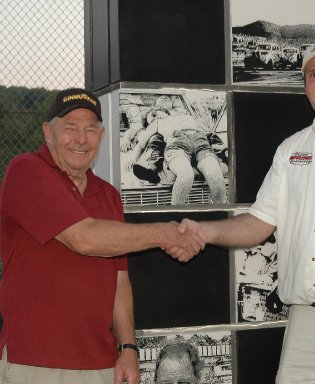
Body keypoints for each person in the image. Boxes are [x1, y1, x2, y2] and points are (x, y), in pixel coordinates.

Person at [171, 41, 315, 383]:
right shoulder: (291, 150)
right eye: (312, 75)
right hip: (303, 325)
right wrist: (203, 231)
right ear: (305, 87)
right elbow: (259, 223)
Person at [0, 88, 205, 384]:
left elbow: (119, 279)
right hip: (36, 361)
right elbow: (85, 238)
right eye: (70, 128)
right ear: (48, 132)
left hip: (101, 363)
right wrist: (167, 233)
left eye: (91, 129)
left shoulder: (108, 196)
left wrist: (128, 348)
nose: (81, 139)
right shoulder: (26, 172)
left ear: (102, 134)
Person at [125, 96, 227, 205]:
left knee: (215, 173)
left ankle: (218, 215)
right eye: (152, 115)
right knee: (186, 174)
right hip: (178, 143)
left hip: (201, 142)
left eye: (156, 113)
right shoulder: (157, 123)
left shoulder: (188, 116)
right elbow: (141, 144)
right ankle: (176, 215)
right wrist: (132, 159)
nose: (155, 116)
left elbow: (210, 133)